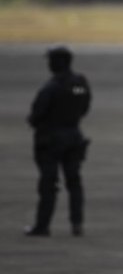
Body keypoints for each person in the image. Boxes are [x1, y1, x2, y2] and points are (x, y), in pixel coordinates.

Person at [25, 46, 92, 237]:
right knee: (74, 182)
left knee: (48, 184)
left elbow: (37, 114)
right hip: (73, 136)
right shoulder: (79, 84)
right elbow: (84, 105)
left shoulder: (51, 87)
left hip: (51, 139)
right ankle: (76, 224)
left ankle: (42, 225)